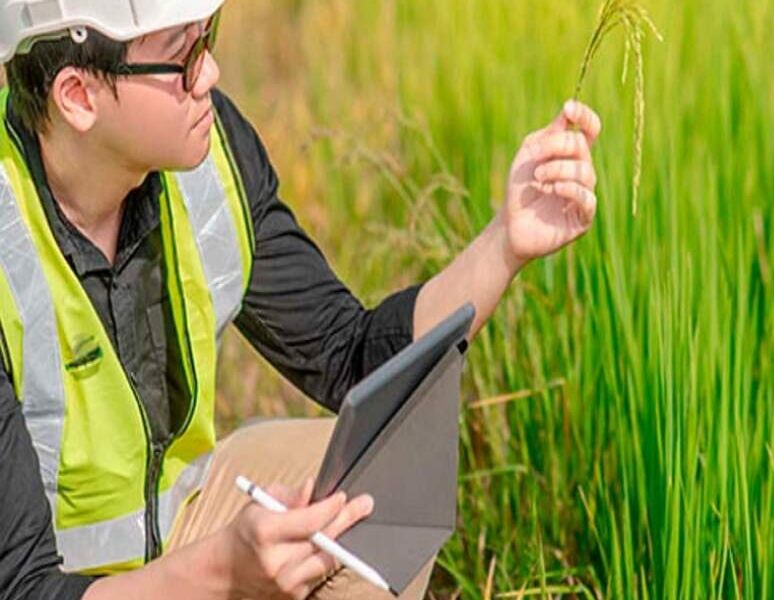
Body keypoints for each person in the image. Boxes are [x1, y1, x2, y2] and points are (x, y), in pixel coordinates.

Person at [0, 0, 603, 598]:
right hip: (50, 584)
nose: (208, 75)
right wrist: (222, 574)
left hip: (173, 530)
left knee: (380, 476)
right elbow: (24, 587)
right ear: (78, 96)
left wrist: (505, 242)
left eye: (207, 37)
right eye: (180, 58)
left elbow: (352, 356)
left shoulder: (208, 158)